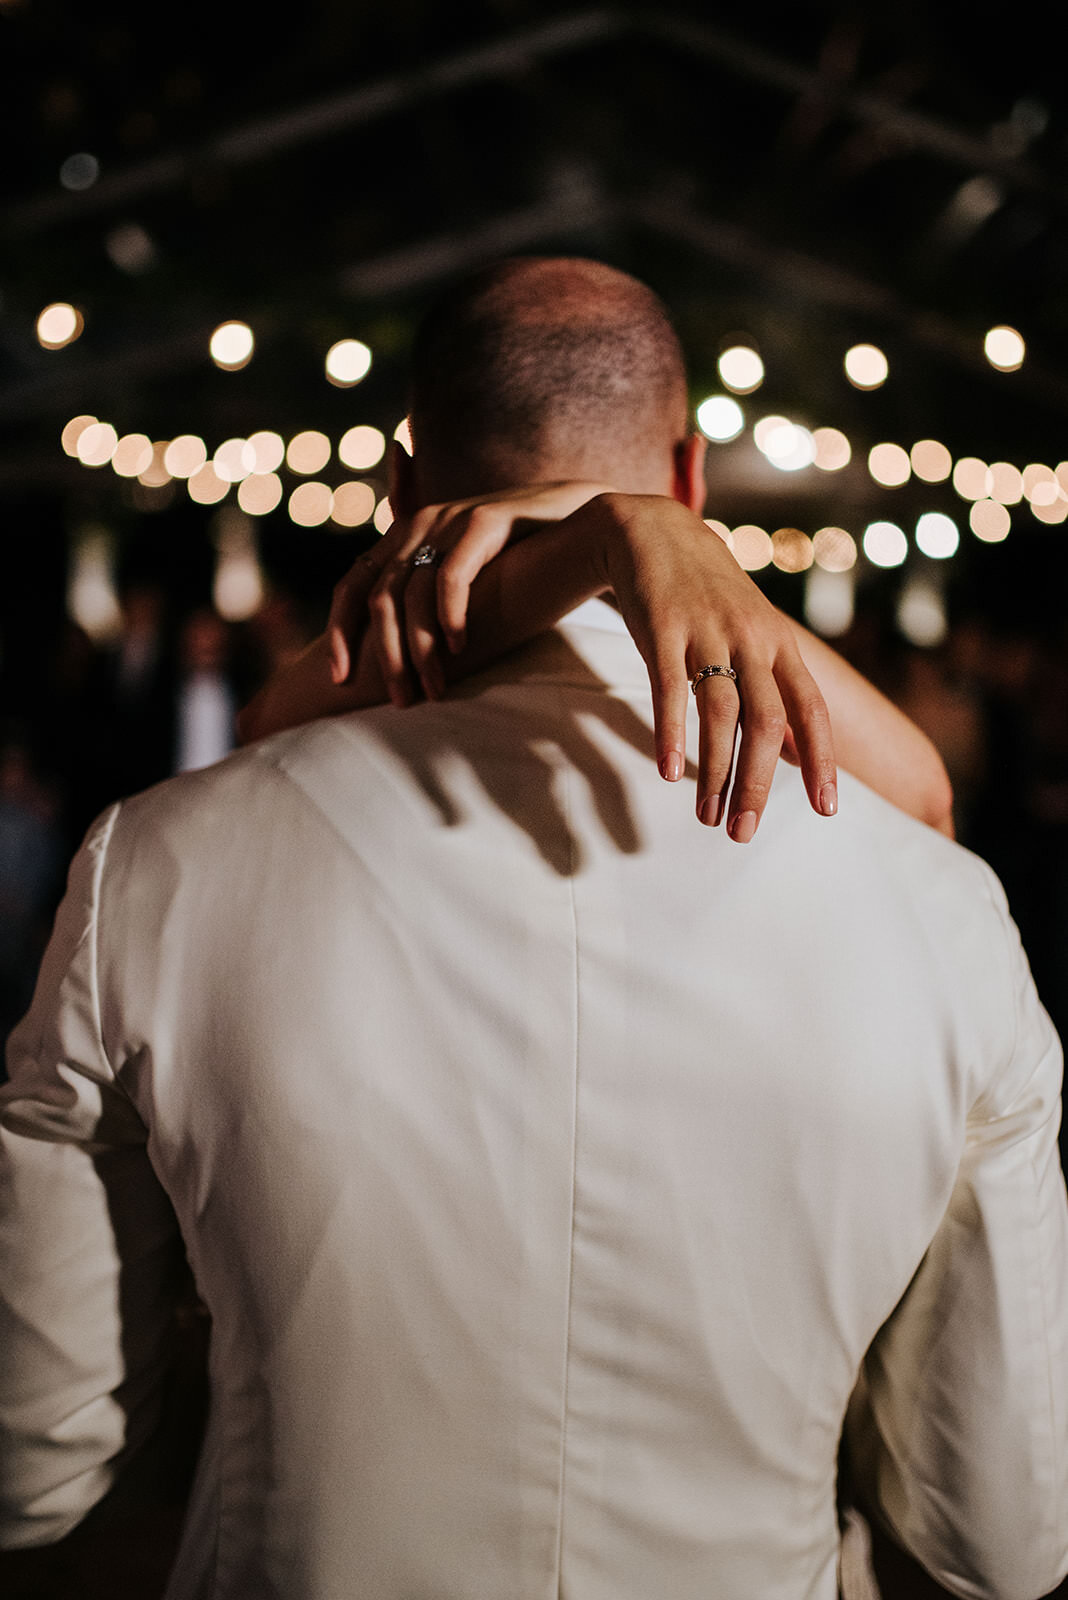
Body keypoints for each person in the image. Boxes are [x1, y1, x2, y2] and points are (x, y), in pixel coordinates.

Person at [1, 257, 1065, 1600]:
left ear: (396, 492)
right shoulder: (938, 906)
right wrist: (634, 539)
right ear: (694, 479)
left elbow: (28, 1468)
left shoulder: (149, 865)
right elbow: (1001, 1537)